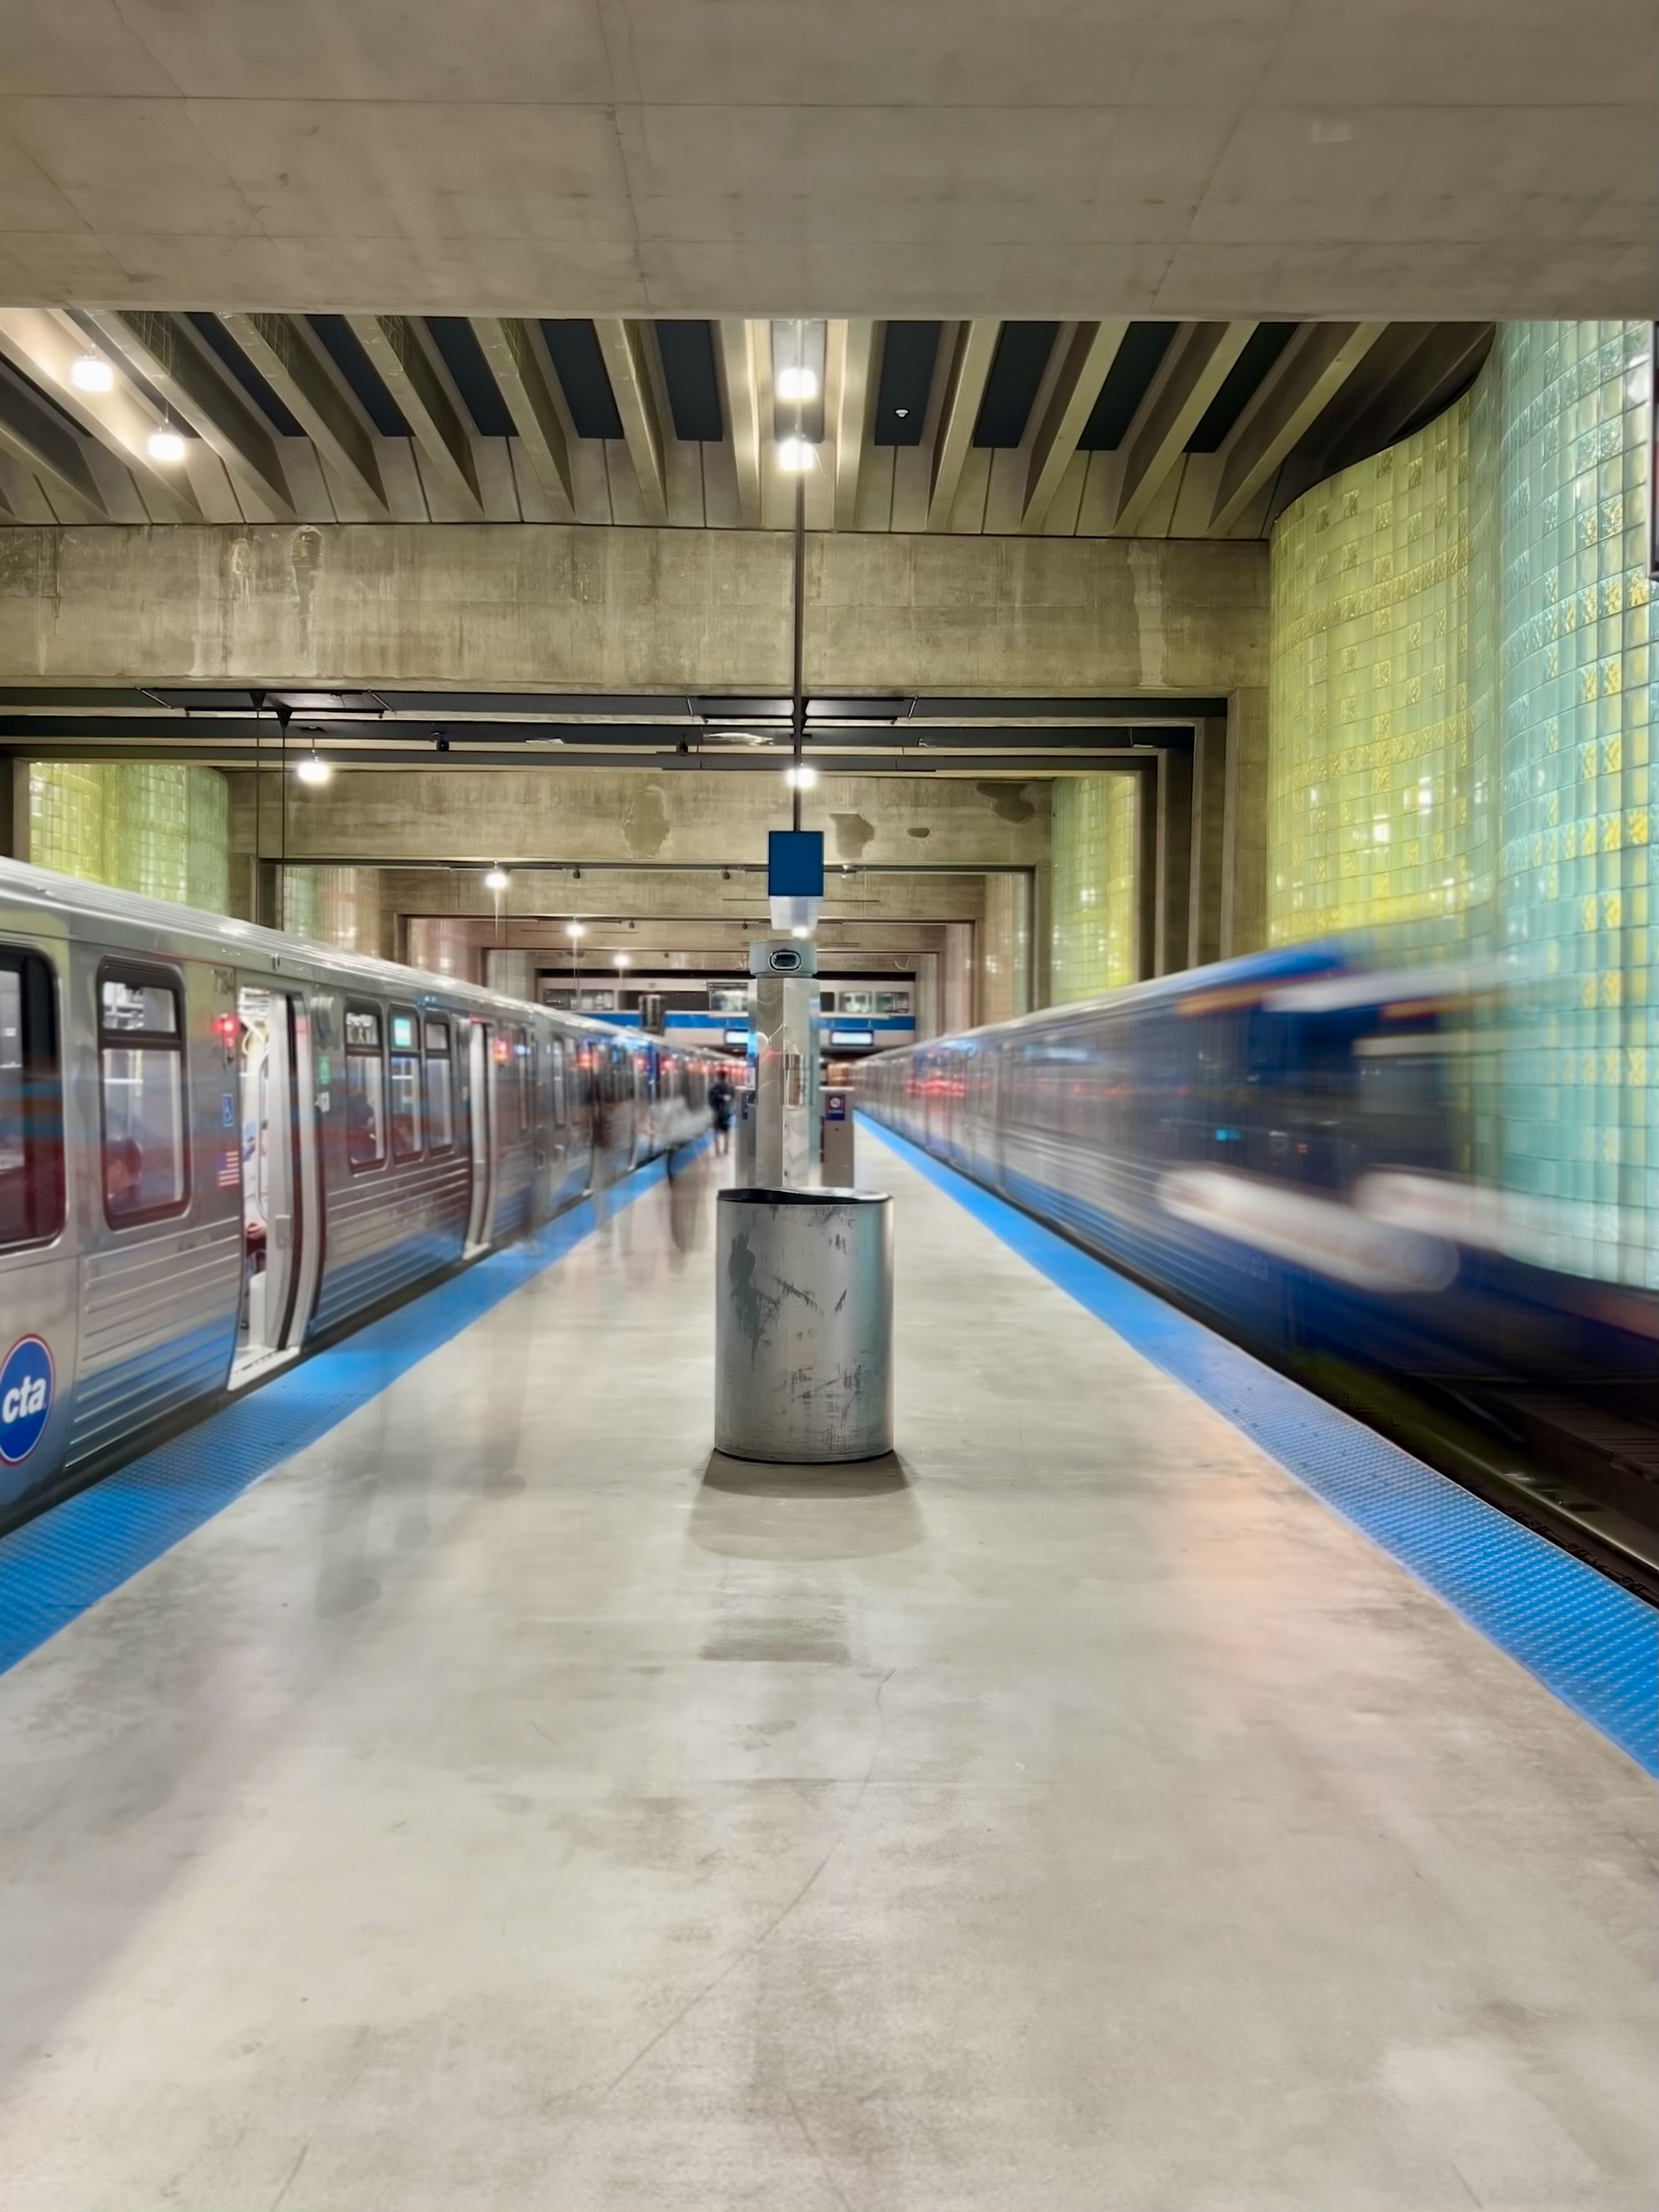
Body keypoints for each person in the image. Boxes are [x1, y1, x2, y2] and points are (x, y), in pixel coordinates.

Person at [708, 1068, 736, 1156]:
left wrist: (714, 1107)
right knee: (726, 1131)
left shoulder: (714, 1087)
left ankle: (717, 1151)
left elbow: (710, 1099)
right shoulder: (729, 1087)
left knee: (716, 1131)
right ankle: (726, 1149)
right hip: (726, 1112)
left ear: (718, 1076)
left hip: (716, 1112)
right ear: (725, 1076)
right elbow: (733, 1096)